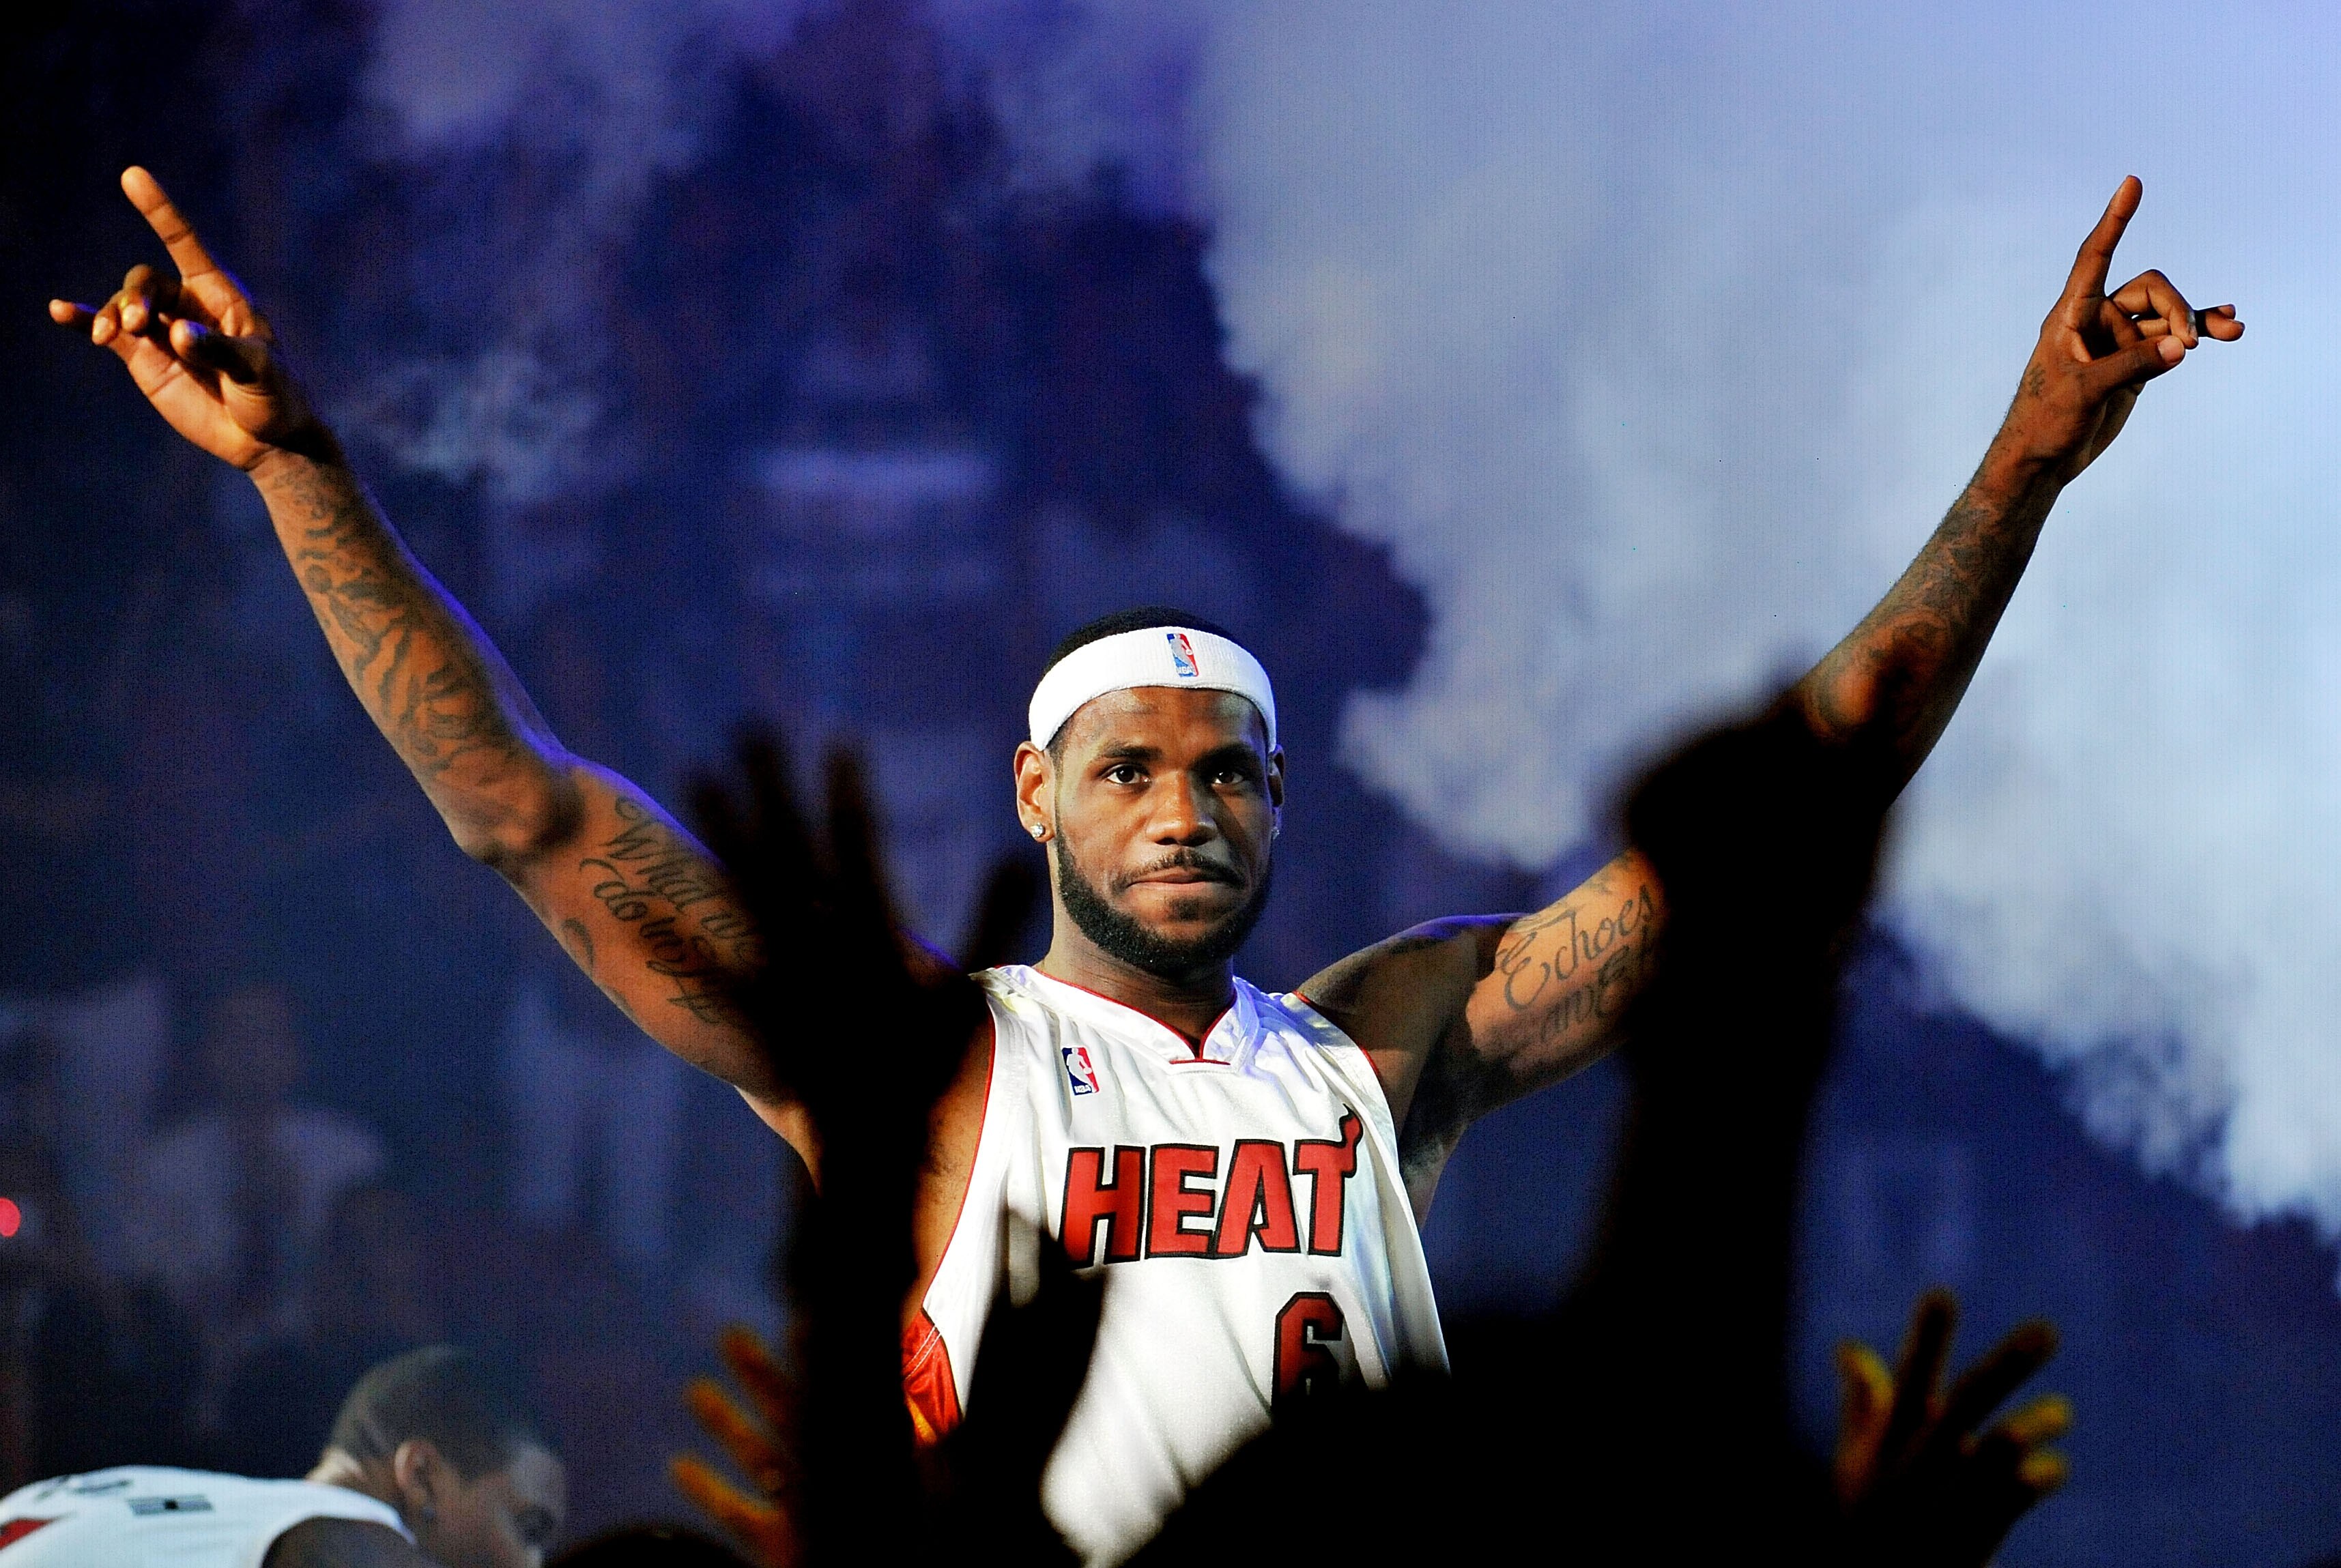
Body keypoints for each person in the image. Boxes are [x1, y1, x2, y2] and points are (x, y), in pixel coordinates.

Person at [53, 166, 2236, 1563]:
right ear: (1037, 797)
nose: (1184, 806)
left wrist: (2026, 464)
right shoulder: (929, 1061)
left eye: (1230, 773)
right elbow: (526, 811)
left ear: (1284, 807)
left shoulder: (1396, 1044)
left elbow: (1785, 813)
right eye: (1130, 770)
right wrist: (307, 479)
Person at [0, 1344, 565, 1567]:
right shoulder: (347, 1534)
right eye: (528, 1528)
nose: (535, 1565)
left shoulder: (132, 1489)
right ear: (421, 1475)